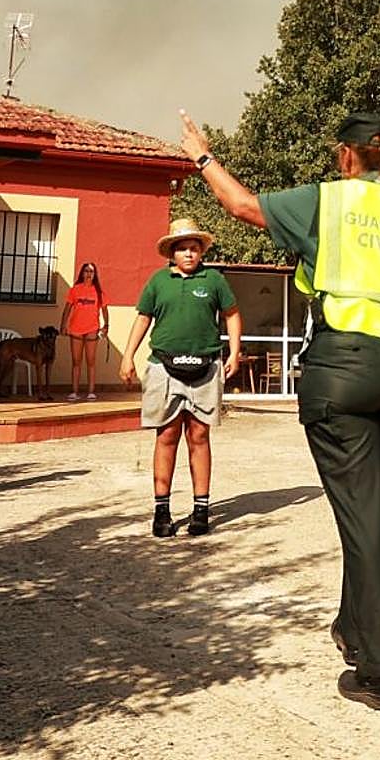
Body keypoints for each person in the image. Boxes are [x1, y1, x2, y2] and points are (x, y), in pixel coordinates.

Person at [179, 108, 380, 710]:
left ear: (346, 154)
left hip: (344, 369)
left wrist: (203, 155)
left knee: (363, 514)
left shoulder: (327, 201)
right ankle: (352, 624)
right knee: (370, 505)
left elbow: (242, 206)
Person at [120, 219, 241, 538]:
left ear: (201, 251)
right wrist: (127, 355)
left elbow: (231, 315)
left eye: (194, 248)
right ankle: (162, 511)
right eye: (182, 248)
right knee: (167, 434)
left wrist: (235, 351)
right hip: (163, 366)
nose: (189, 253)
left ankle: (201, 509)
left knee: (199, 435)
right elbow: (143, 317)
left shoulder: (214, 280)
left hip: (206, 366)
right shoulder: (158, 281)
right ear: (172, 252)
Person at [59, 262, 110, 401]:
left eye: (91, 271)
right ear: (82, 273)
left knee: (91, 361)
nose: (89, 273)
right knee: (76, 361)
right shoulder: (75, 290)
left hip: (92, 329)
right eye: (86, 271)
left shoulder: (99, 292)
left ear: (95, 275)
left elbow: (105, 310)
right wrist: (63, 325)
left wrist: (106, 326)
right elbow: (67, 309)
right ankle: (74, 392)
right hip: (75, 329)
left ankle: (91, 392)